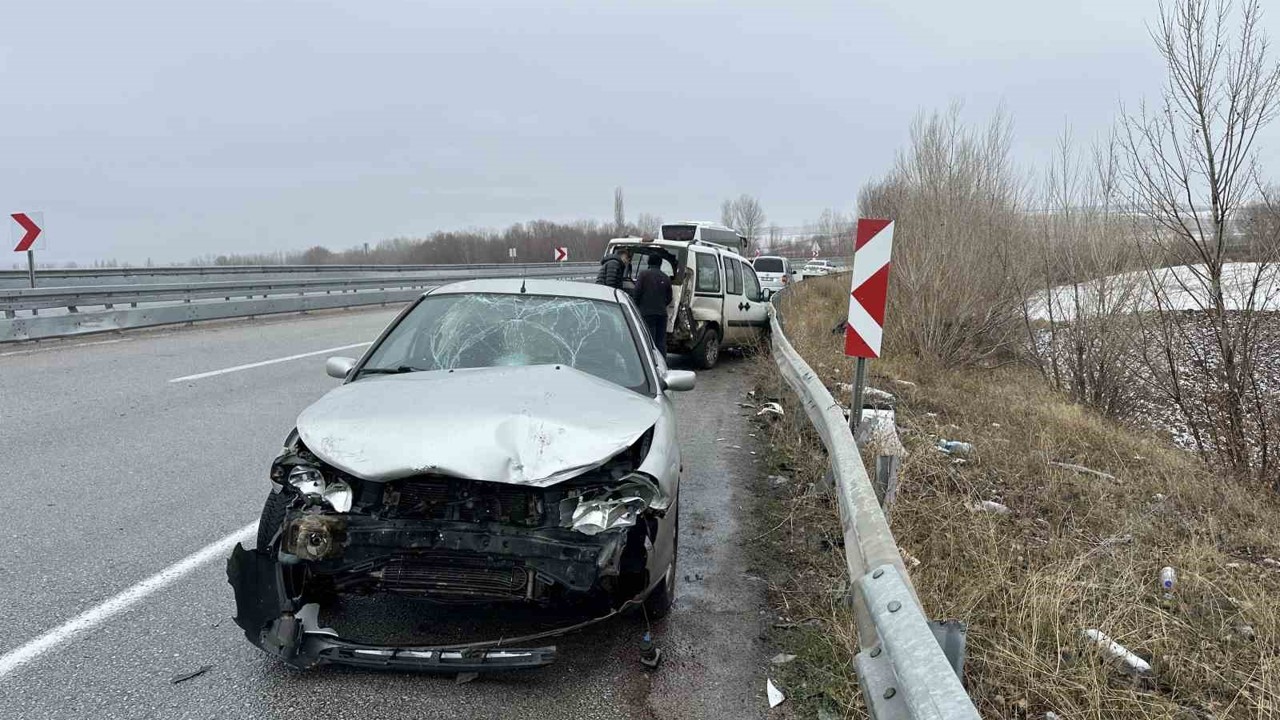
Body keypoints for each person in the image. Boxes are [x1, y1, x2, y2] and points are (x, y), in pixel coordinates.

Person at [633, 254, 673, 354]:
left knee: (649, 341)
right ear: (660, 264)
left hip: (647, 313)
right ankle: (662, 363)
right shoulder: (666, 277)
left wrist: (637, 306)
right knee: (661, 342)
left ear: (649, 262)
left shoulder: (643, 275)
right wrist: (662, 304)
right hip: (662, 314)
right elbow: (669, 298)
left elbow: (637, 292)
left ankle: (651, 364)